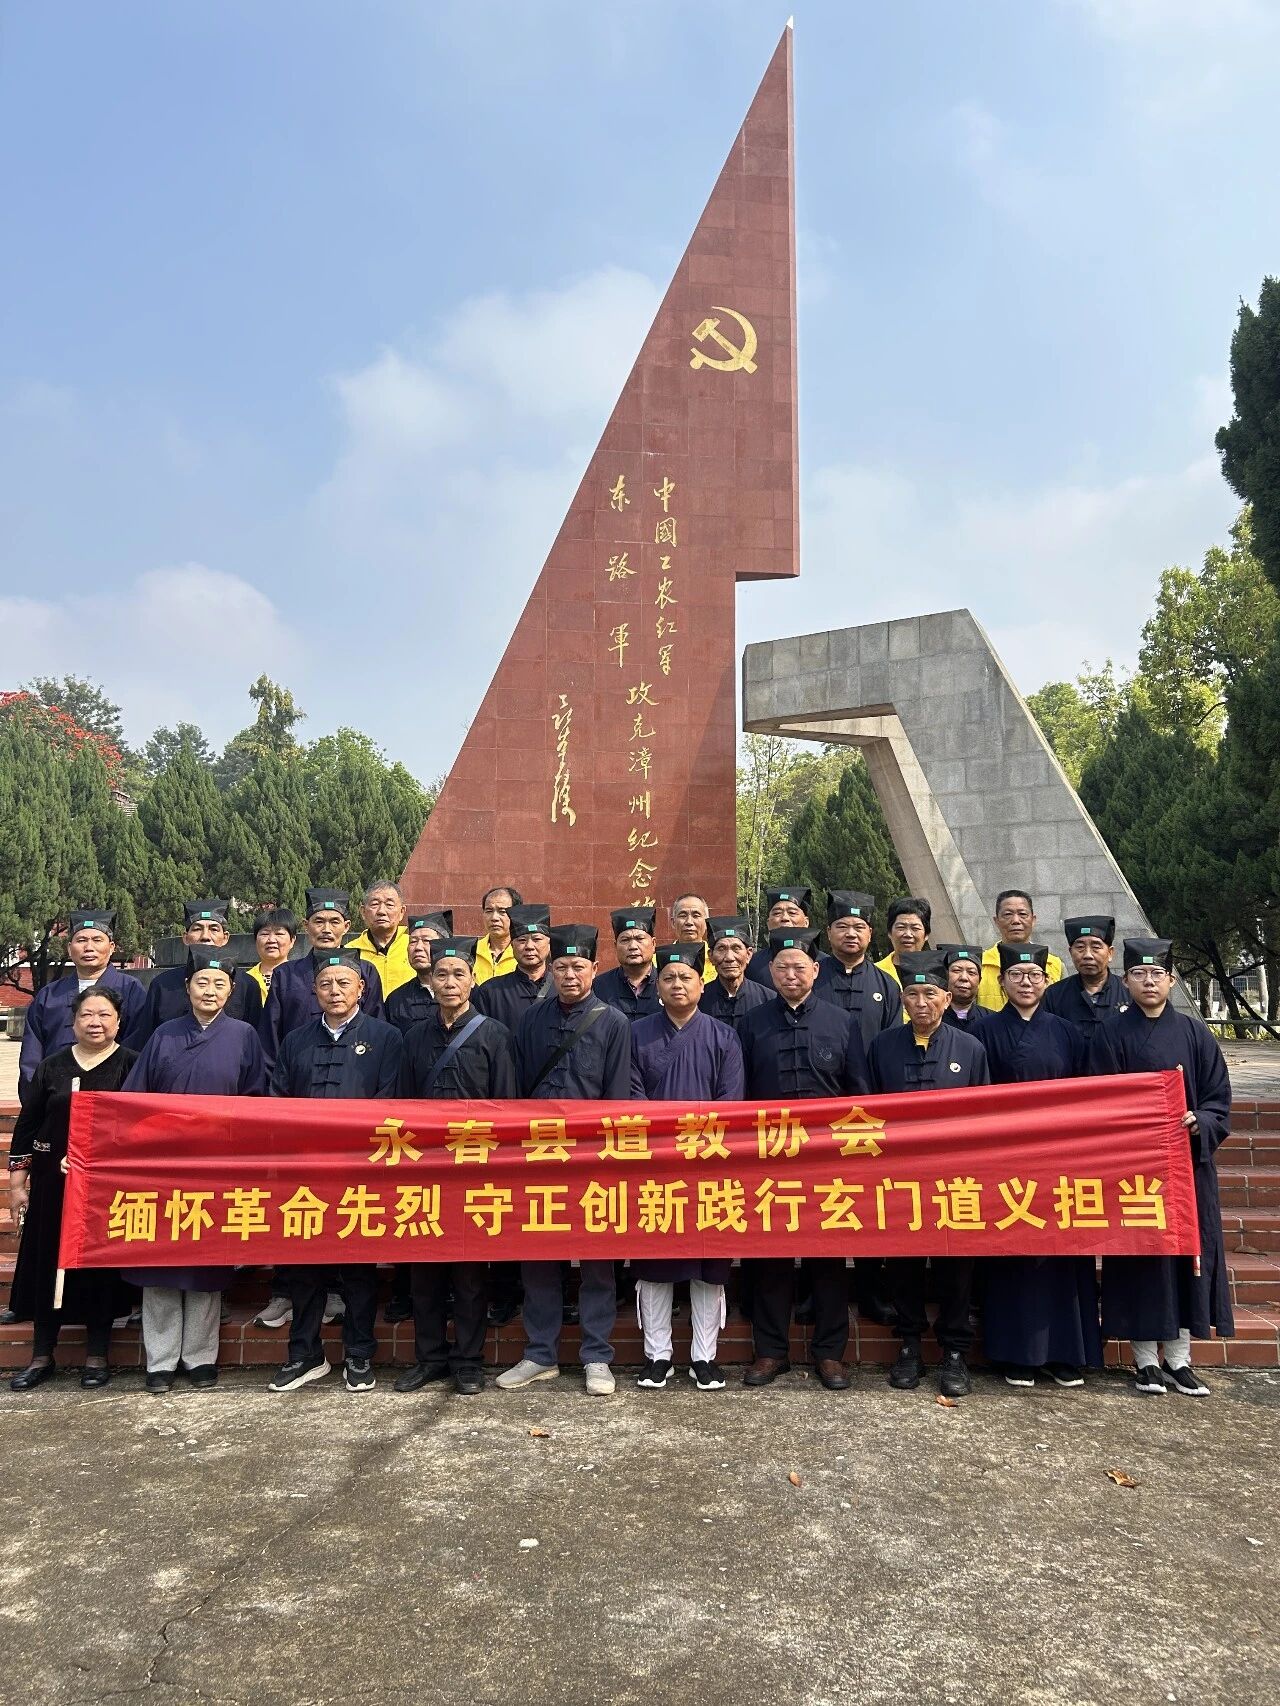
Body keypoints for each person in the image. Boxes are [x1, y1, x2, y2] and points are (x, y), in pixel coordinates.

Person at [1088, 938, 1233, 1398]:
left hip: (1186, 1168)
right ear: (1125, 980)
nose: (1148, 982)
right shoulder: (1111, 1034)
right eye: (1139, 975)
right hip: (1135, 1172)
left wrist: (1201, 1120)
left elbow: (1217, 1099)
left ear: (1171, 980)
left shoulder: (1194, 1034)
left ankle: (1180, 1358)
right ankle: (1146, 1360)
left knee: (1186, 1257)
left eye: (1157, 975)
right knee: (1141, 1260)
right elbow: (1100, 1099)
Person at [121, 949, 267, 1393]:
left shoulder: (244, 1036)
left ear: (232, 992)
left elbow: (256, 1098)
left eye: (220, 985)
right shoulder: (164, 1035)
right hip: (164, 1167)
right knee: (161, 1263)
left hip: (216, 1166)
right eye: (202, 983)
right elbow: (135, 1099)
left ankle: (201, 1357)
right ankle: (161, 1361)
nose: (210, 991)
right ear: (187, 989)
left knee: (206, 1262)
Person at [498, 925, 631, 1397]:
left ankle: (597, 1356)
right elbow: (514, 1092)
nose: (569, 974)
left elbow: (617, 1095)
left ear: (596, 969)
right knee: (538, 1256)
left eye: (578, 966)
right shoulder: (531, 1020)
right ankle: (540, 1353)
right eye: (561, 967)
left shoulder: (613, 1021)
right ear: (550, 970)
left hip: (592, 1158)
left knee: (597, 1260)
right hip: (538, 1155)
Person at [737, 927, 870, 1391]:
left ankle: (830, 1354)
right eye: (782, 967)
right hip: (769, 1160)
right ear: (770, 972)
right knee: (771, 1260)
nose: (791, 974)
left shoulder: (841, 1021)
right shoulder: (751, 1023)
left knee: (828, 1260)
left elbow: (858, 1095)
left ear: (816, 970)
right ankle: (771, 1351)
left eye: (800, 967)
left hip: (827, 1164)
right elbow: (741, 1097)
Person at [268, 952, 403, 1393]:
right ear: (314, 990)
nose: (335, 991)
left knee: (358, 1270)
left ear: (361, 988)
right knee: (305, 1270)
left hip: (359, 1174)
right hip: (305, 1176)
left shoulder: (386, 1038)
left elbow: (391, 1105)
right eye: (326, 984)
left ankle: (359, 1354)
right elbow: (279, 1102)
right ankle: (305, 1353)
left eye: (345, 983)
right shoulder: (295, 1040)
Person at [395, 938, 519, 1397]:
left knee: (469, 1272)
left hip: (474, 1169)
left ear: (473, 980)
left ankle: (468, 1360)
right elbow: (401, 1108)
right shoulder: (413, 1038)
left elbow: (507, 1107)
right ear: (432, 982)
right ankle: (429, 1357)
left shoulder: (494, 1035)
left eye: (458, 975)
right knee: (423, 1271)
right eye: (442, 975)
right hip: (425, 1171)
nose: (449, 983)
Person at [976, 944, 1101, 1390]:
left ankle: (1067, 1353)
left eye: (1034, 975)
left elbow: (1087, 1094)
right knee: (1015, 1254)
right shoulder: (984, 1032)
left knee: (1061, 1252)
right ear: (1003, 983)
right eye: (1017, 976)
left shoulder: (1067, 1032)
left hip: (1058, 1159)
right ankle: (1017, 1354)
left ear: (1045, 983)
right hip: (1006, 1160)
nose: (1026, 982)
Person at [868, 950, 990, 1399]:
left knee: (956, 1265)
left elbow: (983, 1117)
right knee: (903, 1263)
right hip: (899, 1178)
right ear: (902, 999)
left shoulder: (971, 1049)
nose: (922, 1002)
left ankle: (955, 1351)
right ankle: (909, 1345)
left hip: (954, 1179)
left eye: (931, 994)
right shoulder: (882, 1047)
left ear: (946, 998)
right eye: (913, 994)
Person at [7, 987, 137, 1391]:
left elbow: (140, 1125)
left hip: (106, 1189)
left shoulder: (131, 1065)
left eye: (104, 1015)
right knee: (48, 1263)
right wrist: (17, 1182)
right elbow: (28, 1125)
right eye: (87, 1015)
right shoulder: (52, 1067)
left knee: (98, 1268)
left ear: (118, 1021)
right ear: (74, 1021)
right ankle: (41, 1354)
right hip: (53, 1183)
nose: (95, 1023)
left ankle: (98, 1353)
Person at [630, 943, 745, 1392]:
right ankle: (657, 1355)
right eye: (669, 978)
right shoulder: (637, 1034)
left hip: (708, 1167)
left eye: (686, 978)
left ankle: (704, 1356)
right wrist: (663, 1142)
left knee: (706, 1264)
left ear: (702, 984)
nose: (677, 985)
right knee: (655, 1262)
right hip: (654, 1165)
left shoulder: (722, 1036)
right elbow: (631, 1098)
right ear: (657, 986)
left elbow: (730, 1102)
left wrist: (697, 1144)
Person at [19, 908, 146, 1100]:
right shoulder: (49, 995)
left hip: (111, 1095)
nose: (88, 947)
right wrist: (34, 1098)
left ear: (111, 947)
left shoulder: (131, 989)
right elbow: (31, 1052)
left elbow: (136, 1047)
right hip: (55, 1095)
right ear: (70, 949)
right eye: (81, 940)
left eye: (97, 940)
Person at [258, 887, 384, 1071]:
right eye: (319, 921)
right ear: (305, 925)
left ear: (346, 926)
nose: (326, 929)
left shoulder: (366, 972)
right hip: (297, 1074)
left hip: (354, 1073)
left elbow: (378, 1030)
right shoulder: (285, 975)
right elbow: (270, 1037)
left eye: (334, 922)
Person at [130, 899, 263, 1046]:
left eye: (214, 929)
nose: (205, 936)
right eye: (197, 929)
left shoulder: (247, 985)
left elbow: (255, 1042)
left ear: (225, 938)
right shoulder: (162, 985)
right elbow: (146, 1040)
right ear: (185, 938)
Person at [814, 891, 902, 1046]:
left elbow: (894, 1042)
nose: (851, 934)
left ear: (869, 934)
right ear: (828, 932)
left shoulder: (887, 985)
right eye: (842, 926)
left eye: (859, 927)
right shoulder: (811, 978)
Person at [976, 890, 1065, 1011]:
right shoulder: (979, 964)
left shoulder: (1054, 965)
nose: (1016, 920)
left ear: (1033, 920)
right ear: (996, 921)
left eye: (1022, 914)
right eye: (1008, 914)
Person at [1043, 916, 1130, 1037]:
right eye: (1080, 947)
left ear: (1110, 953)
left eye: (1096, 947)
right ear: (1070, 952)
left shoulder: (1129, 992)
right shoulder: (1053, 995)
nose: (1088, 955)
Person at [474, 904, 554, 1031]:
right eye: (522, 940)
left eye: (537, 939)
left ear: (549, 944)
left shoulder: (562, 989)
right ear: (512, 946)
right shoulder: (490, 992)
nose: (529, 946)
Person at [383, 911, 453, 1035]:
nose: (418, 947)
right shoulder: (397, 999)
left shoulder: (465, 994)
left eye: (426, 940)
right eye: (413, 941)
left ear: (444, 946)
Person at [699, 916, 772, 1033]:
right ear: (711, 956)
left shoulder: (768, 999)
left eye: (736, 948)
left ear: (748, 954)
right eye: (721, 949)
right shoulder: (699, 1000)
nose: (729, 958)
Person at [345, 881, 415, 998]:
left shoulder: (414, 947)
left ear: (402, 912)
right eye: (374, 904)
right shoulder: (349, 952)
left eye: (389, 905)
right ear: (363, 912)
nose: (381, 911)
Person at [594, 907, 660, 1020]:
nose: (633, 946)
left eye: (639, 939)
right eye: (625, 940)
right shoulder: (598, 986)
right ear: (615, 946)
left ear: (653, 944)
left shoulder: (667, 983)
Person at [744, 887, 815, 986]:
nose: (785, 918)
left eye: (792, 913)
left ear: (806, 922)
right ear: (768, 923)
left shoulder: (823, 963)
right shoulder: (752, 964)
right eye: (777, 913)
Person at [874, 897, 932, 987]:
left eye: (915, 928)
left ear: (926, 934)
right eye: (901, 927)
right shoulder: (874, 973)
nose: (908, 934)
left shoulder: (938, 973)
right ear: (889, 932)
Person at [247, 908, 298, 1002]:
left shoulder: (300, 978)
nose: (271, 940)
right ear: (255, 940)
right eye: (265, 934)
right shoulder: (245, 980)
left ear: (292, 940)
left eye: (279, 933)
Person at [475, 885, 522, 985]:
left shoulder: (524, 952)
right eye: (489, 911)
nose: (494, 917)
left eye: (502, 911)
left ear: (517, 914)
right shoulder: (471, 951)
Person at [669, 892, 718, 983]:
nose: (689, 922)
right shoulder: (656, 962)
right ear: (673, 922)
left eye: (696, 915)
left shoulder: (717, 960)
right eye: (683, 915)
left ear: (706, 922)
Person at [939, 945, 986, 1034]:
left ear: (979, 981)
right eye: (956, 970)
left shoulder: (992, 1021)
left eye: (971, 972)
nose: (964, 977)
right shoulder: (932, 1020)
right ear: (944, 977)